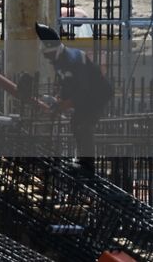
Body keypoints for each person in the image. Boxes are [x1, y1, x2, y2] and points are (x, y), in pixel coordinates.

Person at [36, 22, 113, 174]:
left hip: (97, 95)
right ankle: (82, 160)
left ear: (55, 50)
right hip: (86, 95)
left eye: (48, 55)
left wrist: (63, 105)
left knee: (84, 125)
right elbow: (67, 84)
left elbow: (83, 90)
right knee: (76, 122)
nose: (48, 59)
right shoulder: (58, 61)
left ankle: (87, 165)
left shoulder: (74, 59)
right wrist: (59, 99)